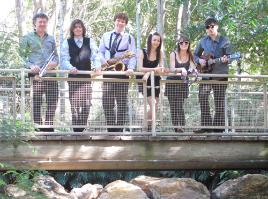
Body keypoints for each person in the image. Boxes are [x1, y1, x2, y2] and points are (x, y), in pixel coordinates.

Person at [20, 13, 59, 132]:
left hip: (51, 75)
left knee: (52, 102)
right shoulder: (27, 38)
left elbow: (56, 57)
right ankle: (37, 129)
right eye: (40, 22)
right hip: (35, 76)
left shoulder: (51, 38)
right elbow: (22, 56)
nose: (42, 24)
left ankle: (48, 128)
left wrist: (55, 63)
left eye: (44, 22)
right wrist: (30, 65)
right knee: (36, 103)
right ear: (34, 23)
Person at [61, 19, 101, 132]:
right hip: (73, 78)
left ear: (83, 29)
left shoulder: (90, 41)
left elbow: (95, 56)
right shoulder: (67, 42)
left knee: (87, 105)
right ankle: (76, 132)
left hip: (86, 79)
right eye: (76, 27)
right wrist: (70, 68)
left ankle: (81, 129)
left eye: (80, 27)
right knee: (74, 107)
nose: (78, 29)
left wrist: (98, 66)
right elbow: (64, 59)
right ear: (72, 29)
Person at [99, 13, 136, 132]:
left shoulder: (130, 38)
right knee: (107, 101)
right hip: (108, 69)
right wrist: (103, 61)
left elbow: (133, 55)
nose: (120, 23)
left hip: (122, 71)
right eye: (118, 20)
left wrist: (131, 68)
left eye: (123, 22)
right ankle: (111, 129)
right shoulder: (105, 35)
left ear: (125, 24)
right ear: (114, 21)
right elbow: (100, 52)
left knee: (121, 102)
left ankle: (119, 129)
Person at [194, 17, 232, 133]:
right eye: (208, 27)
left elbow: (230, 57)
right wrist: (199, 61)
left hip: (220, 74)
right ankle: (206, 126)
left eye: (212, 26)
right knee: (202, 97)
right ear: (206, 29)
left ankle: (218, 129)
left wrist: (227, 59)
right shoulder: (203, 41)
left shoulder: (225, 41)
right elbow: (195, 55)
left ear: (217, 26)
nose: (210, 29)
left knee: (219, 102)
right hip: (205, 74)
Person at [165, 35, 196, 133]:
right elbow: (172, 69)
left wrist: (193, 71)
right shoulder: (173, 54)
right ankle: (176, 128)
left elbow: (192, 67)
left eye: (186, 42)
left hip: (182, 83)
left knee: (179, 105)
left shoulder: (190, 55)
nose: (184, 44)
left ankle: (182, 126)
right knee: (173, 106)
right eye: (181, 42)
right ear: (178, 44)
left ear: (188, 44)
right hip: (171, 82)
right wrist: (181, 69)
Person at [137, 32, 166, 130]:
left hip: (155, 79)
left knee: (155, 106)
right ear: (150, 40)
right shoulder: (142, 51)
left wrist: (151, 72)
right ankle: (145, 127)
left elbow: (161, 68)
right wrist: (153, 70)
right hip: (144, 80)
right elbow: (140, 68)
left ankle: (147, 127)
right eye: (154, 40)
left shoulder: (160, 53)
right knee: (153, 104)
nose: (156, 42)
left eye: (158, 40)